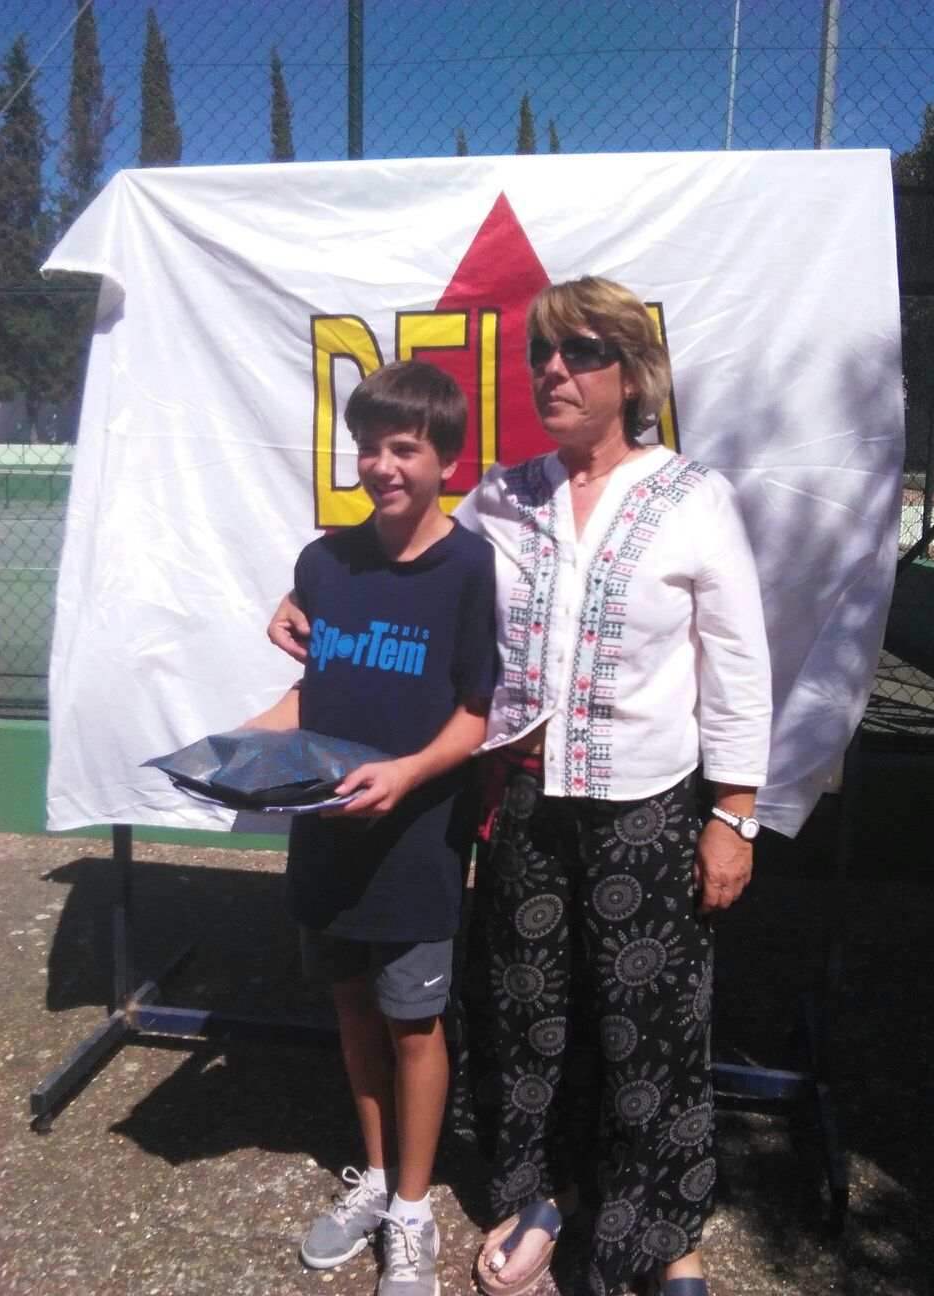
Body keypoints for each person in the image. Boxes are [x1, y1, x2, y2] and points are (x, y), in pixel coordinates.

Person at [268, 277, 772, 1296]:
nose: (553, 370)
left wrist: (735, 814)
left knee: (649, 1024)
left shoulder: (691, 497)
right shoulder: (505, 494)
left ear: (632, 373)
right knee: (527, 1014)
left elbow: (738, 662)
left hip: (646, 805)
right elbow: (412, 556)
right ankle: (540, 1194)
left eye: (580, 352)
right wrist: (304, 590)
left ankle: (664, 1234)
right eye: (543, 352)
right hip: (525, 804)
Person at [249, 360, 496, 1296]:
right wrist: (242, 743)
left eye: (405, 448)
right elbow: (313, 690)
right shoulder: (323, 563)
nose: (383, 466)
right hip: (327, 840)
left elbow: (478, 713)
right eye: (369, 448)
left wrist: (409, 772)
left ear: (447, 461)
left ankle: (415, 1211)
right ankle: (381, 1179)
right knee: (353, 1010)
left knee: (414, 1026)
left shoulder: (472, 569)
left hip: (418, 844)